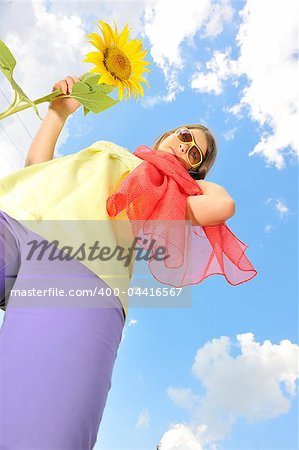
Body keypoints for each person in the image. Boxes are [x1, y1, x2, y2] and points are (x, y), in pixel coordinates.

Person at [0, 76, 234, 449]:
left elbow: (221, 205)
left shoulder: (170, 193)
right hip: (13, 216)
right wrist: (57, 115)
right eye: (185, 136)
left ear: (195, 171)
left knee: (34, 431)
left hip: (83, 267)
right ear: (168, 133)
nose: (186, 146)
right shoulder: (111, 152)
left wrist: (185, 181)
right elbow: (37, 169)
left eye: (196, 155)